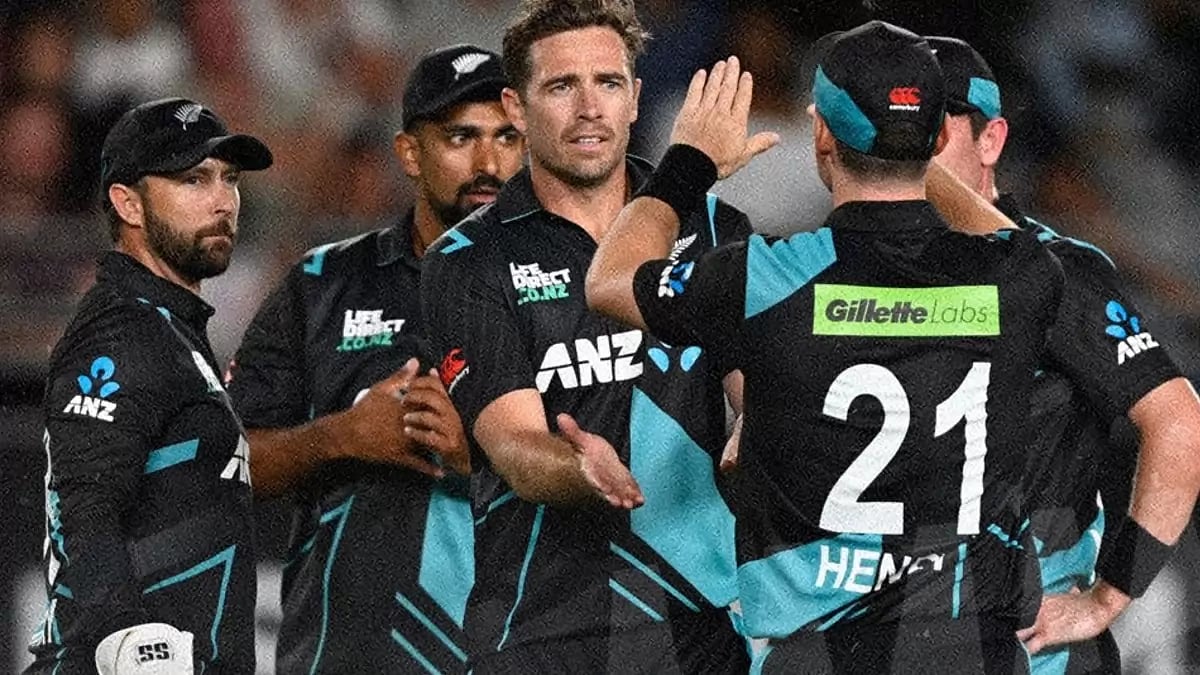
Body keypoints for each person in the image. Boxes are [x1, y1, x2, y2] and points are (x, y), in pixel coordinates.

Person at [586, 20, 1200, 673]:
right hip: (977, 640)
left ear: (822, 133)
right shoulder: (1026, 276)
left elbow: (1179, 423)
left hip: (909, 639)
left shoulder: (772, 275)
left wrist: (691, 162)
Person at [420, 1, 755, 671]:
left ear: (635, 97)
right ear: (515, 108)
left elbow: (757, 390)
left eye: (607, 83)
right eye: (560, 86)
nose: (589, 107)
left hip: (703, 627)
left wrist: (763, 424)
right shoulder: (467, 260)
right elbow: (513, 444)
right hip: (543, 630)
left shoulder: (718, 230)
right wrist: (579, 466)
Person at [224, 45, 522, 673]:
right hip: (344, 654)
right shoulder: (323, 282)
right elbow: (229, 467)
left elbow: (616, 468)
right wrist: (343, 436)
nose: (489, 162)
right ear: (410, 153)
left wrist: (482, 454)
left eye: (507, 137)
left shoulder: (570, 280)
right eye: (461, 137)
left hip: (513, 646)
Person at [28, 98, 272, 674]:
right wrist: (122, 636)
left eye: (228, 179)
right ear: (128, 203)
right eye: (193, 179)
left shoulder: (169, 327)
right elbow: (81, 502)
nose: (222, 201)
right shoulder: (124, 327)